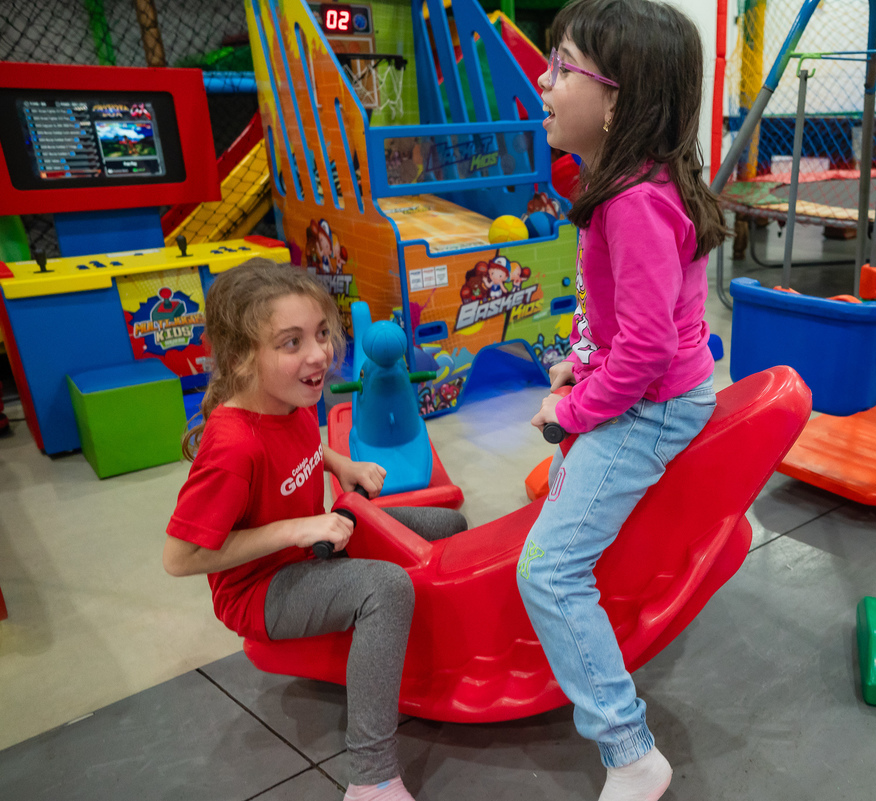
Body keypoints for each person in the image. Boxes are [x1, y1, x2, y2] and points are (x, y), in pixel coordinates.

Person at [518, 1, 726, 799]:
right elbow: (630, 323)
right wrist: (581, 365)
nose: (544, 78)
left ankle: (630, 750)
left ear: (616, 98)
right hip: (645, 388)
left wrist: (571, 411)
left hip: (654, 405)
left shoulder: (632, 200)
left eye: (562, 65)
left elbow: (643, 351)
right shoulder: (632, 181)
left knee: (547, 571)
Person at [163, 259, 465, 801]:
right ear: (239, 359)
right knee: (385, 586)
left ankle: (444, 646)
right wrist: (294, 529)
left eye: (322, 334)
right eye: (291, 342)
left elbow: (301, 445)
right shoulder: (232, 447)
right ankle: (371, 779)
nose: (319, 354)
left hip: (312, 547)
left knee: (447, 524)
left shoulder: (292, 397)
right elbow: (180, 557)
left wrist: (338, 465)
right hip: (261, 590)